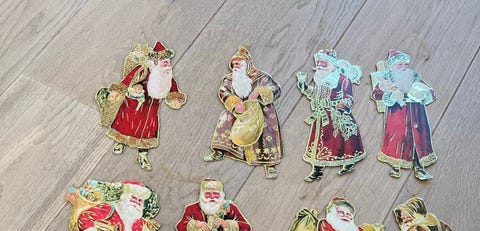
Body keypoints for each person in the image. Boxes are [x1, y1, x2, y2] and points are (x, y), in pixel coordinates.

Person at [96, 41, 186, 170]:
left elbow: (172, 85)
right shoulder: (143, 69)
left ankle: (142, 155)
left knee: (147, 129)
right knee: (127, 123)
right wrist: (118, 90)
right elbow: (128, 79)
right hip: (133, 103)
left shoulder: (166, 74)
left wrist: (174, 97)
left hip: (151, 106)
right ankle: (121, 142)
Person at [204, 47, 282, 179]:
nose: (235, 67)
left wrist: (259, 91)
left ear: (247, 64)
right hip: (240, 113)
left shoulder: (261, 77)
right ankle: (220, 151)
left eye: (238, 64)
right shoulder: (229, 79)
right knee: (226, 117)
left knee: (267, 125)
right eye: (234, 64)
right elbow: (224, 92)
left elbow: (275, 88)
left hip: (259, 110)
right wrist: (234, 102)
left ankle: (270, 165)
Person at [296, 49, 365, 182]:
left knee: (342, 141)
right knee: (319, 141)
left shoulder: (343, 79)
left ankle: (348, 163)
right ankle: (317, 170)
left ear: (332, 63)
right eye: (318, 63)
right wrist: (303, 84)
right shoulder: (321, 79)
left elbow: (348, 98)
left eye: (323, 62)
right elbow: (315, 94)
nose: (320, 65)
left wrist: (338, 108)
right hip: (321, 116)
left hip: (337, 115)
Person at [371, 50, 436, 180]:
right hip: (397, 116)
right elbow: (376, 94)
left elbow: (431, 92)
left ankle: (419, 167)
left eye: (406, 64)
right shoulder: (387, 80)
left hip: (417, 115)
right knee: (397, 139)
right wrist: (391, 95)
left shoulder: (415, 78)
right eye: (400, 65)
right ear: (393, 67)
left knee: (418, 140)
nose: (404, 67)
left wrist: (423, 94)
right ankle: (396, 166)